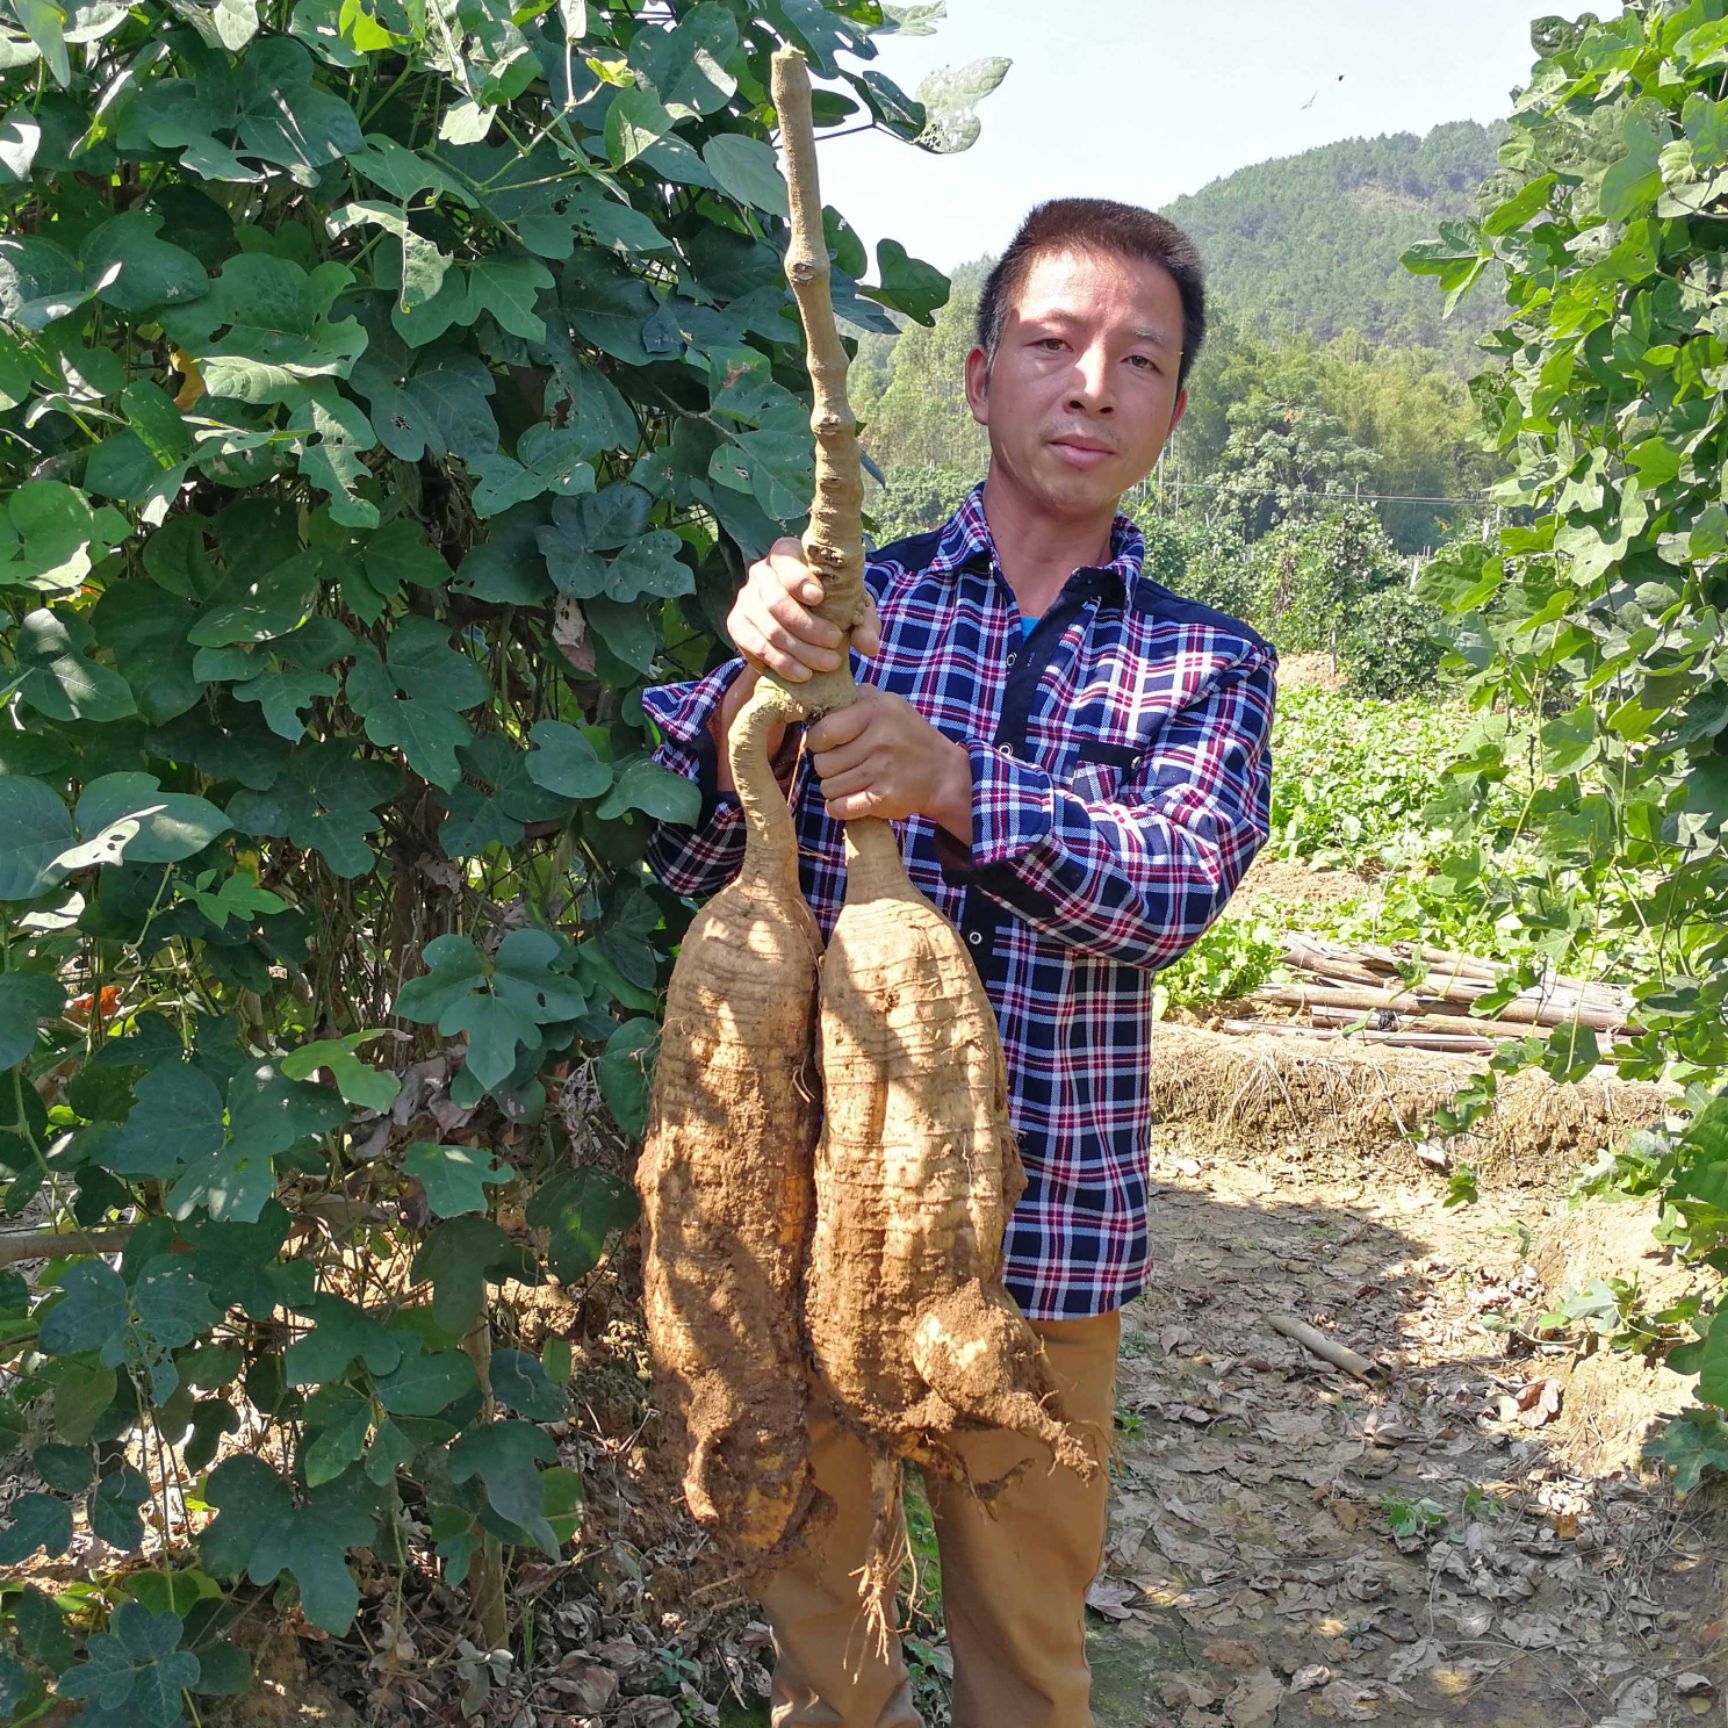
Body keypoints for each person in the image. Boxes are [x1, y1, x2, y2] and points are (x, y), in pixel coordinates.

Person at [641, 197, 1278, 1728]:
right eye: (1052, 346)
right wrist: (754, 678)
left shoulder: (1208, 663)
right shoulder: (862, 608)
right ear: (980, 377)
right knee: (828, 1651)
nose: (1093, 386)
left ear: (1174, 414)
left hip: (1045, 1248)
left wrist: (958, 784)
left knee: (1026, 1659)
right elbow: (684, 858)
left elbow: (1174, 887)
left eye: (1140, 360)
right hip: (814, 1224)